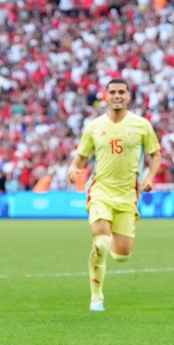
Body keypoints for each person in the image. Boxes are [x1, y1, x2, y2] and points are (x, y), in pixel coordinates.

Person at [68, 78, 161, 312]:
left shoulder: (142, 125)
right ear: (106, 97)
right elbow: (81, 157)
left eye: (121, 91)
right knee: (100, 243)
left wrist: (149, 178)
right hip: (100, 191)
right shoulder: (94, 126)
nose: (117, 95)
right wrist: (73, 167)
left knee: (121, 255)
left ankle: (106, 247)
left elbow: (155, 154)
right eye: (113, 92)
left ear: (128, 96)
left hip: (128, 196)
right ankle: (96, 297)